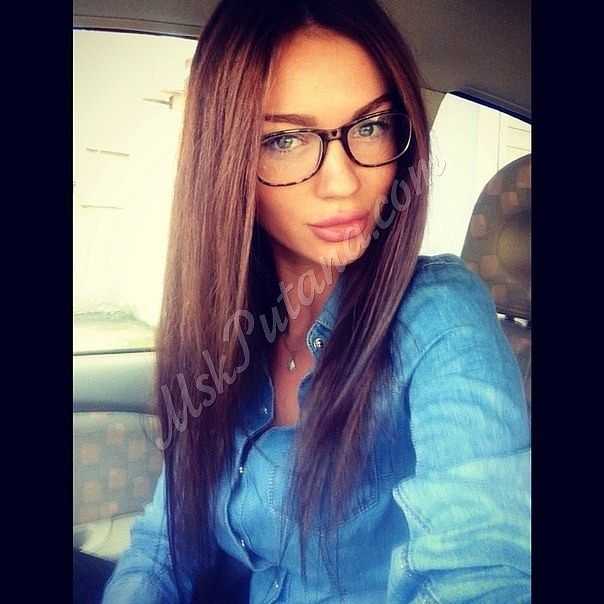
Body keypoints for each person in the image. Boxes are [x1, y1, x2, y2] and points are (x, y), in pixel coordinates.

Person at [101, 0, 531, 602]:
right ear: (225, 163)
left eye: (370, 126)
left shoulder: (441, 315)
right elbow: (163, 544)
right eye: (284, 139)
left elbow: (483, 568)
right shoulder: (227, 327)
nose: (344, 181)